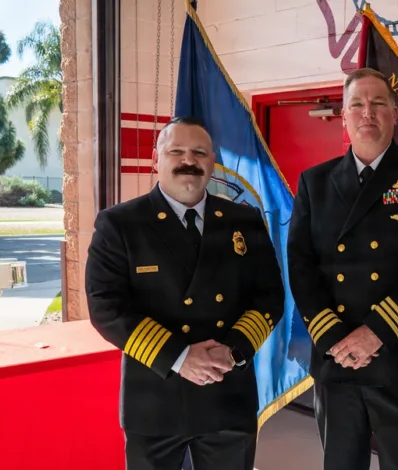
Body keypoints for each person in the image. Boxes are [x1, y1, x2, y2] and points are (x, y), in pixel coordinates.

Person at [287, 67, 398, 470]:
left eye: (378, 103)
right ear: (345, 116)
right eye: (357, 105)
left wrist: (376, 333)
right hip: (337, 358)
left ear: (394, 113)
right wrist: (333, 337)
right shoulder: (315, 181)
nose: (368, 112)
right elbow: (300, 264)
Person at [84, 116, 284, 470]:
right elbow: (106, 307)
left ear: (211, 161)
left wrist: (233, 351)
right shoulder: (120, 224)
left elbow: (269, 297)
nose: (188, 160)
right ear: (155, 159)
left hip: (227, 390)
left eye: (199, 152)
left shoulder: (244, 220)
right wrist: (180, 357)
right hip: (156, 396)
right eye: (176, 151)